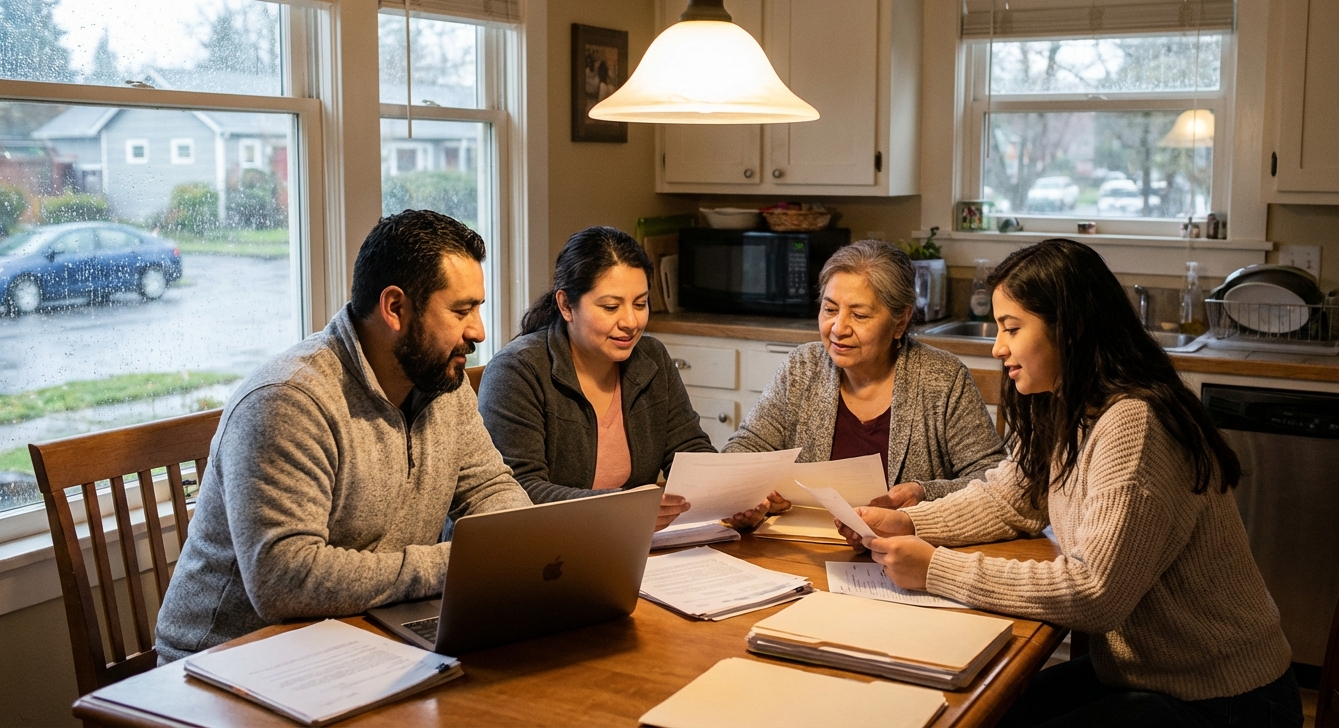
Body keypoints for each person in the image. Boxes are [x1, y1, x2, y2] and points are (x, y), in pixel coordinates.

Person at [841, 239, 1301, 727]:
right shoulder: (1068, 404)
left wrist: (936, 568)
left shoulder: (1134, 424)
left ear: (1071, 329)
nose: (998, 348)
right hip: (1146, 675)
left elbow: (1095, 592)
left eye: (1011, 329)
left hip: (1223, 699)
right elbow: (1008, 499)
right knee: (983, 711)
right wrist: (907, 521)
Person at [154, 210, 532, 662]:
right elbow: (284, 580)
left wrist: (512, 544)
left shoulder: (438, 381)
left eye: (478, 309)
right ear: (395, 308)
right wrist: (460, 565)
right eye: (461, 310)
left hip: (359, 633)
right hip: (229, 662)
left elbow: (489, 487)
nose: (478, 332)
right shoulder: (287, 401)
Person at [479, 227, 755, 531]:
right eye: (611, 307)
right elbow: (517, 491)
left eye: (640, 304)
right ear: (566, 305)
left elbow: (689, 451)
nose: (631, 322)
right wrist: (624, 508)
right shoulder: (517, 370)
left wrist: (735, 497)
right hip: (540, 551)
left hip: (625, 544)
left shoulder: (652, 358)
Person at [725, 240, 1006, 526]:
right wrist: (754, 493)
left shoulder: (943, 378)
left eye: (859, 315)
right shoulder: (801, 367)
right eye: (830, 309)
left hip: (899, 558)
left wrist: (925, 493)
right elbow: (744, 449)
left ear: (900, 320)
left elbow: (993, 479)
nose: (838, 329)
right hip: (805, 554)